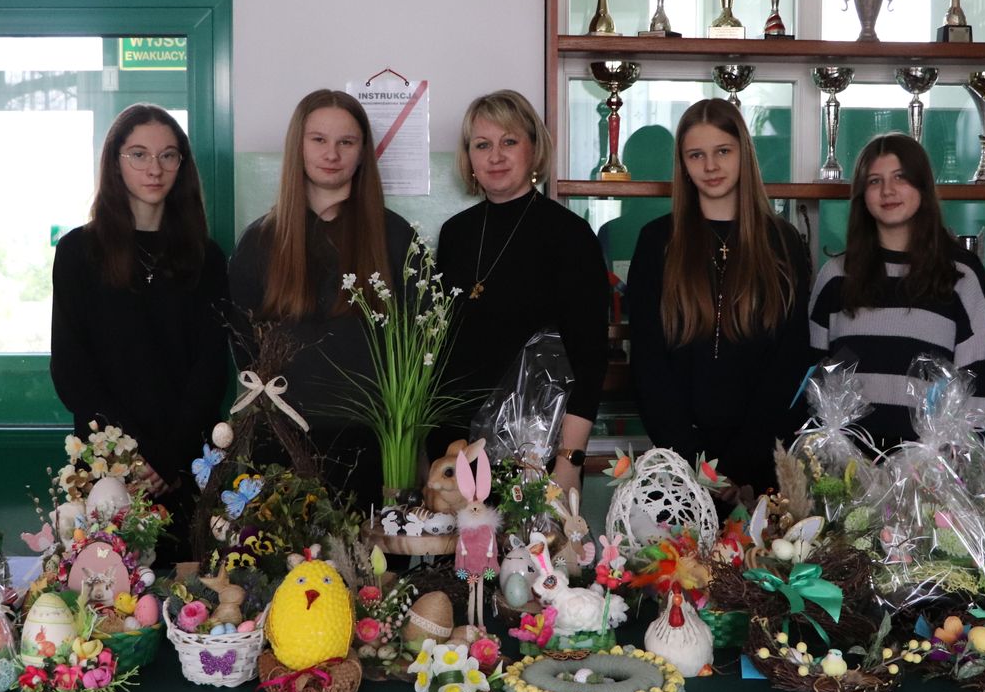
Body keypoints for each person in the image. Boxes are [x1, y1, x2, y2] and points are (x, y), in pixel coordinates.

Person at [50, 102, 230, 551]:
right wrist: (131, 456)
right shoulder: (77, 252)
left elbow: (211, 369)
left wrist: (169, 459)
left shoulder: (206, 257)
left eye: (168, 155)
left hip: (185, 468)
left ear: (181, 165)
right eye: (139, 154)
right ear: (116, 162)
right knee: (106, 585)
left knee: (193, 584)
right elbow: (72, 370)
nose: (155, 168)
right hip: (107, 470)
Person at [228, 89, 413, 503]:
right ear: (298, 145)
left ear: (362, 152)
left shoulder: (397, 238)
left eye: (346, 141)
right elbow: (244, 348)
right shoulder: (258, 242)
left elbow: (414, 352)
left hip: (371, 450)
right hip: (279, 444)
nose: (332, 153)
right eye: (319, 140)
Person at [627, 98, 811, 494]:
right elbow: (648, 362)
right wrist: (695, 465)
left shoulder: (783, 242)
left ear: (744, 154)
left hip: (761, 468)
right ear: (683, 164)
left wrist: (740, 466)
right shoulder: (657, 241)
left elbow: (790, 363)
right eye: (696, 155)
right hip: (678, 470)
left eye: (723, 151)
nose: (710, 166)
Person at [435, 90, 609, 496]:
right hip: (456, 451)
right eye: (482, 145)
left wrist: (569, 461)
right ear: (469, 157)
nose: (495, 156)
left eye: (509, 141)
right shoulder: (455, 234)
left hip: (537, 456)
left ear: (534, 149)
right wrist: (436, 453)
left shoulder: (570, 235)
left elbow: (590, 361)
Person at [808, 132, 985, 448]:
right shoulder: (835, 276)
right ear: (862, 195)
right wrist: (824, 459)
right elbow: (814, 381)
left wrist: (961, 464)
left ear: (922, 186)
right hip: (847, 469)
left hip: (929, 470)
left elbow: (980, 382)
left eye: (900, 177)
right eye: (874, 181)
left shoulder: (961, 274)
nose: (888, 190)